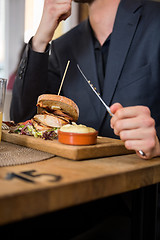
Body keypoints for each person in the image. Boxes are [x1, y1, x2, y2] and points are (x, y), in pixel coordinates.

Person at [9, 0, 160, 238]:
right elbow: (23, 119)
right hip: (74, 200)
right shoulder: (63, 46)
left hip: (144, 207)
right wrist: (40, 39)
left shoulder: (156, 20)